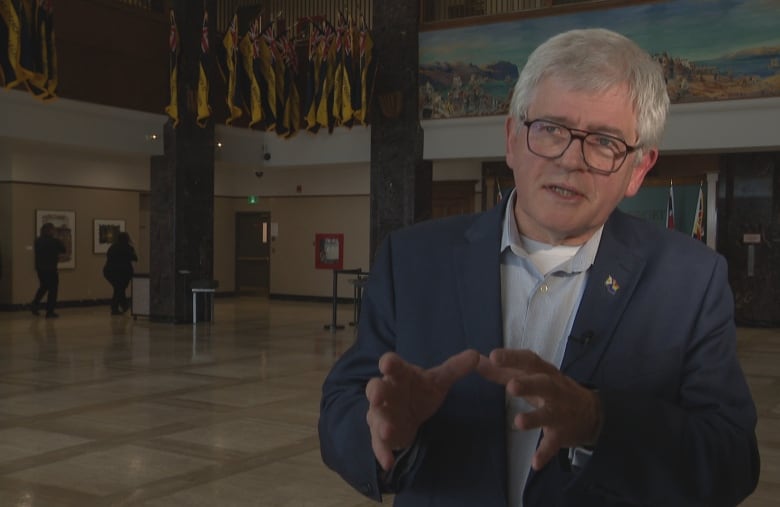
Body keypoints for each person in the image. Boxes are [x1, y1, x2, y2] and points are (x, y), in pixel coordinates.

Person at [318, 28, 760, 507]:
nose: (571, 159)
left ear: (638, 169)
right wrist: (387, 433)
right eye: (550, 128)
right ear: (511, 139)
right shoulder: (412, 259)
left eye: (604, 141)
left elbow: (731, 459)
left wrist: (597, 421)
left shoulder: (690, 281)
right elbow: (343, 404)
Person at [31, 222, 66, 318]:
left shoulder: (37, 241)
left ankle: (34, 304)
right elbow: (63, 249)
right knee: (53, 290)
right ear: (51, 231)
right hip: (51, 268)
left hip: (40, 268)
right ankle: (50, 311)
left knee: (43, 286)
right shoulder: (55, 241)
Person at [103, 232, 138, 315]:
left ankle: (119, 306)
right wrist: (132, 246)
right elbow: (135, 258)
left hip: (109, 272)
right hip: (122, 273)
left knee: (118, 289)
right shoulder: (127, 247)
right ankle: (119, 306)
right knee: (120, 289)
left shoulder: (112, 247)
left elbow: (109, 256)